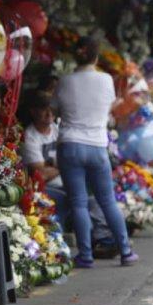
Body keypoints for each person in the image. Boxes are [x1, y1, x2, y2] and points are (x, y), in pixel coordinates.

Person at [53, 37, 138, 268]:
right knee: (108, 201)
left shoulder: (64, 81)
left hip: (70, 145)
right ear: (96, 57)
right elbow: (108, 106)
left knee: (78, 203)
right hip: (97, 146)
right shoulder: (106, 79)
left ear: (75, 56)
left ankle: (86, 255)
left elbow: (55, 109)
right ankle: (126, 251)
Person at [20, 94, 116, 255]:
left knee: (94, 196)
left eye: (51, 109)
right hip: (47, 187)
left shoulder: (58, 130)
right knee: (69, 199)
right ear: (33, 111)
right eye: (43, 109)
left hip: (69, 180)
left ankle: (102, 238)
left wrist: (59, 166)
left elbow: (72, 161)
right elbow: (40, 173)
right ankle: (63, 242)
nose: (49, 113)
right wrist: (67, 165)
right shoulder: (30, 136)